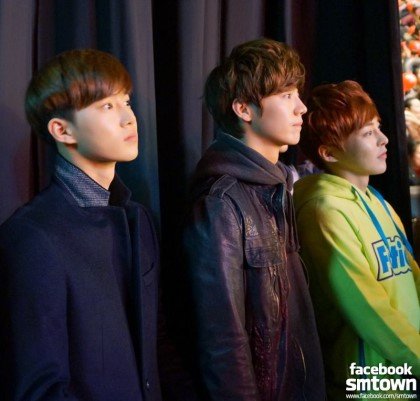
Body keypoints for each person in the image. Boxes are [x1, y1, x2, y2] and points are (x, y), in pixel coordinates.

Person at [0, 49, 161, 400]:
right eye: (107, 106)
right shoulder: (32, 237)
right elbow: (41, 388)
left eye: (126, 101)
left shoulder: (138, 218)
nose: (129, 118)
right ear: (62, 130)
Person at [183, 38, 326, 401]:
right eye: (286, 95)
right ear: (244, 109)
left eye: (297, 94)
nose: (301, 108)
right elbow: (223, 340)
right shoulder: (221, 202)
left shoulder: (275, 186)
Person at [294, 80, 420, 400]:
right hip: (368, 386)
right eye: (367, 133)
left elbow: (411, 276)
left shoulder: (376, 200)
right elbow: (367, 308)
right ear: (329, 152)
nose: (383, 139)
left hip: (402, 375)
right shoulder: (323, 211)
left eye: (378, 127)